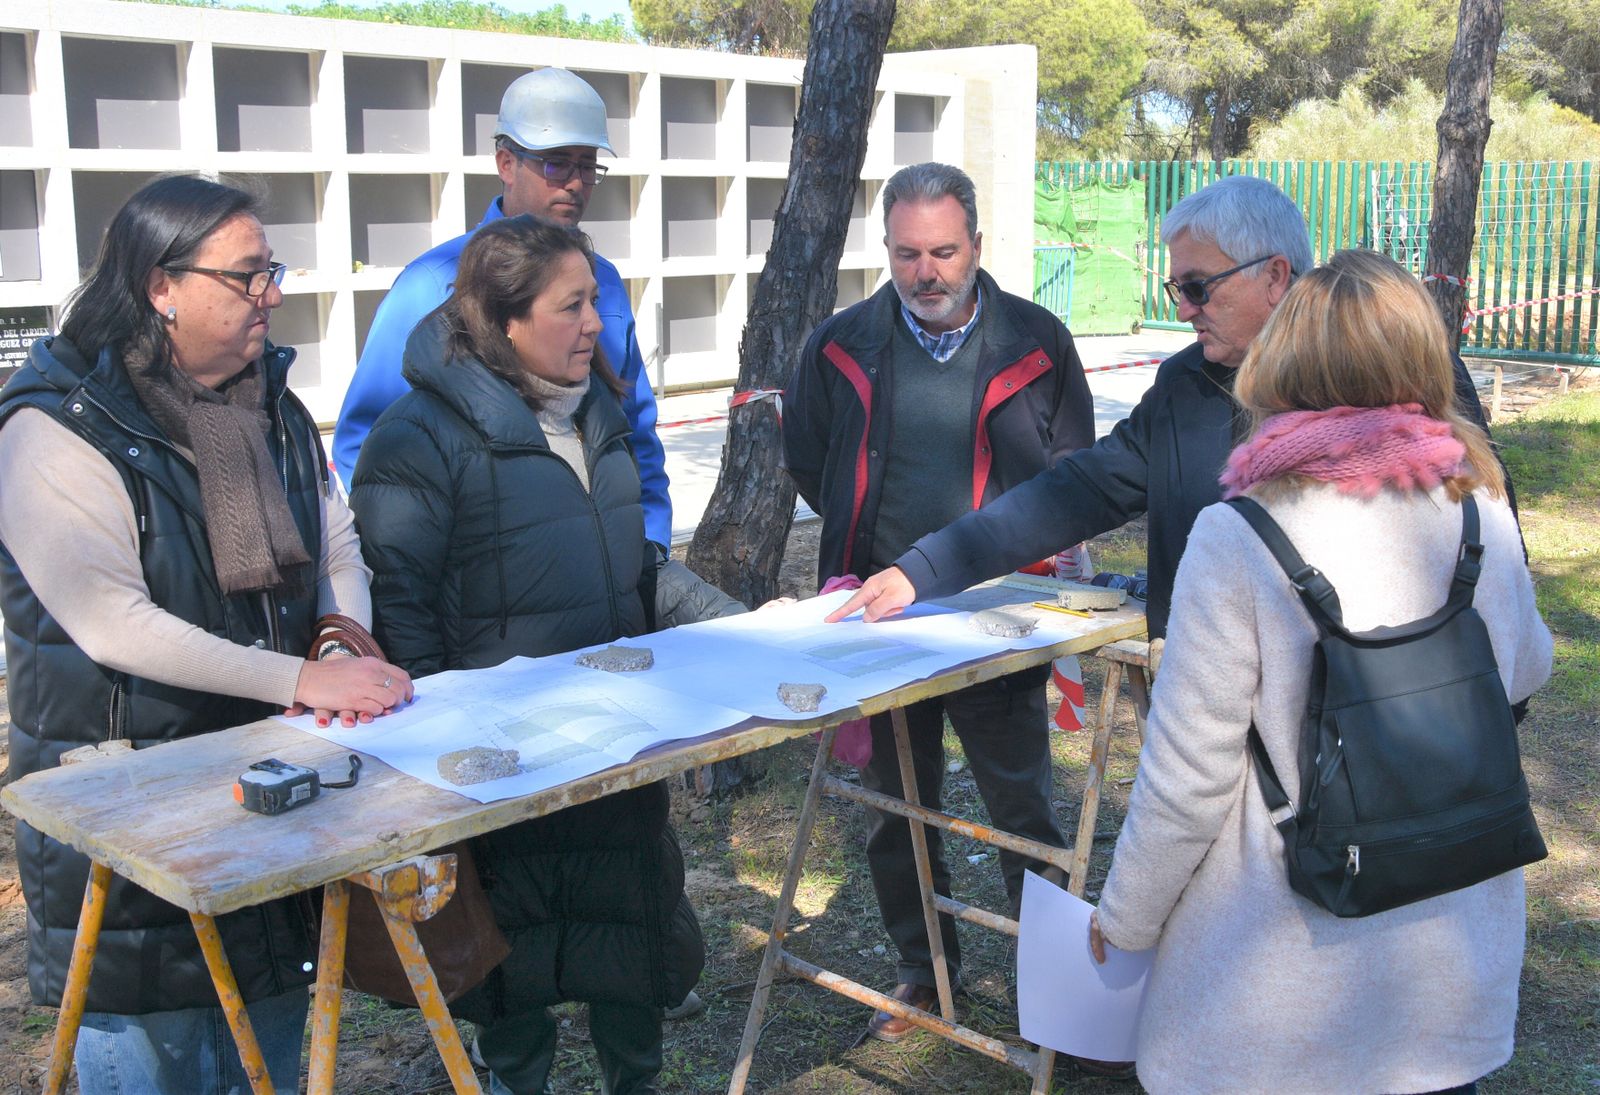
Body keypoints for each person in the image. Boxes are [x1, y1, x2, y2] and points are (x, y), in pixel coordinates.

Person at [1086, 249, 1552, 1093]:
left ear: (1286, 356)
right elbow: (1523, 669)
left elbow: (1187, 778)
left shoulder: (1241, 533)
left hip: (1289, 975)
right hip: (1444, 950)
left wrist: (1126, 915)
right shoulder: (1475, 499)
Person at [0, 174, 412, 1093]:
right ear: (162, 286)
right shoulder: (55, 427)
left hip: (269, 799)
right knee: (163, 1052)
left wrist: (341, 640)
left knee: (268, 1035)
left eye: (272, 272)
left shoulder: (271, 404)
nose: (272, 295)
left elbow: (335, 539)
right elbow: (114, 625)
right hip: (132, 813)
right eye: (247, 277)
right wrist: (304, 682)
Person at [349, 215, 740, 1095]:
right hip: (497, 788)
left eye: (595, 300)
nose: (598, 322)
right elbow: (401, 624)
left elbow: (636, 573)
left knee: (627, 964)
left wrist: (751, 627)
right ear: (506, 318)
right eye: (575, 305)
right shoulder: (416, 441)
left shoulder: (598, 415)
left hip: (614, 764)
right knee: (505, 986)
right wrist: (442, 770)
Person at [830, 174, 1507, 640]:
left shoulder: (1392, 364)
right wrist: (926, 567)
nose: (1181, 309)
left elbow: (1490, 543)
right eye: (1174, 287)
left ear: (1274, 276)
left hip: (1371, 735)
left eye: (1198, 287)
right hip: (1213, 722)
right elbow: (1076, 490)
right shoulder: (1186, 386)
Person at [782, 162, 1095, 1042]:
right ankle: (928, 977)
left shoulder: (1039, 340)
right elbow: (808, 459)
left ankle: (1061, 995)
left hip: (1000, 623)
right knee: (894, 810)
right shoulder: (838, 344)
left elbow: (1076, 472)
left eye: (945, 251)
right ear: (886, 249)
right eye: (908, 252)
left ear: (978, 247)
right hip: (880, 623)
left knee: (1023, 813)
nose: (927, 271)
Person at [333, 66, 672, 549]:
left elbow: (636, 433)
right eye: (557, 162)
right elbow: (366, 441)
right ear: (506, 162)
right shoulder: (432, 285)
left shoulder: (608, 285)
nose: (576, 183)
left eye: (587, 164)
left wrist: (651, 545)